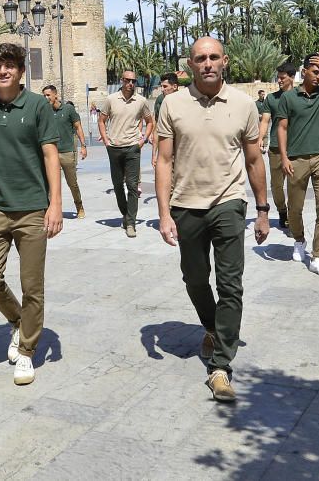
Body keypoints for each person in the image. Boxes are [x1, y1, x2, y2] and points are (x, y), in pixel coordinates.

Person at [155, 37, 270, 403]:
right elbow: (163, 161)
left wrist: (263, 210)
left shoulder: (243, 104)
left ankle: (220, 366)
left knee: (231, 284)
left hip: (228, 203)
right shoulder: (171, 103)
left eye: (213, 57)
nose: (207, 63)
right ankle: (210, 325)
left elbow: (254, 160)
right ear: (189, 64)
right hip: (185, 204)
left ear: (225, 62)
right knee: (194, 278)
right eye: (200, 58)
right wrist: (163, 214)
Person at [0, 43, 62, 386]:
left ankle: (27, 351)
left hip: (33, 208)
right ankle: (18, 319)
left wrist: (55, 203)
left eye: (10, 66)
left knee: (32, 285)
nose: (3, 71)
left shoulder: (37, 106)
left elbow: (51, 155)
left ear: (21, 71)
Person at [276, 53, 319, 277]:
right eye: (315, 72)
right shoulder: (288, 98)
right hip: (296, 160)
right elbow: (282, 129)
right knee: (294, 209)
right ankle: (299, 240)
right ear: (303, 71)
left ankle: (317, 256)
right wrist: (285, 158)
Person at [99, 70, 153, 238]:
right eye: (128, 80)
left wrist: (143, 140)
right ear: (121, 80)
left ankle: (131, 223)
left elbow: (150, 121)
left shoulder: (141, 101)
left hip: (132, 147)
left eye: (134, 81)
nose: (131, 84)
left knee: (132, 186)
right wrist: (106, 140)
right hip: (114, 147)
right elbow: (102, 120)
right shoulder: (111, 99)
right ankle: (125, 214)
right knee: (117, 185)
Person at [258, 63, 296, 228]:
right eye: (278, 77)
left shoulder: (300, 95)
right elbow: (265, 120)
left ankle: (294, 214)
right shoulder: (272, 98)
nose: (279, 80)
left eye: (282, 77)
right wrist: (261, 138)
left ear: (292, 77)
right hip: (275, 149)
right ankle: (282, 211)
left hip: (296, 148)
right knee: (276, 185)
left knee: (295, 184)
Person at [42, 84, 87, 218]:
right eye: (43, 95)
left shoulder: (68, 109)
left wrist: (83, 146)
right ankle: (49, 210)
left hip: (67, 152)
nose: (45, 98)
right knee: (49, 183)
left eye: (48, 95)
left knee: (72, 183)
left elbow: (78, 127)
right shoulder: (44, 112)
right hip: (51, 154)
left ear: (55, 95)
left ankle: (79, 207)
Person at [152, 73, 180, 168]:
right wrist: (154, 154)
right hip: (166, 152)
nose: (162, 89)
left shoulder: (185, 101)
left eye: (165, 86)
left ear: (175, 86)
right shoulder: (160, 100)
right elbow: (156, 128)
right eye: (161, 86)